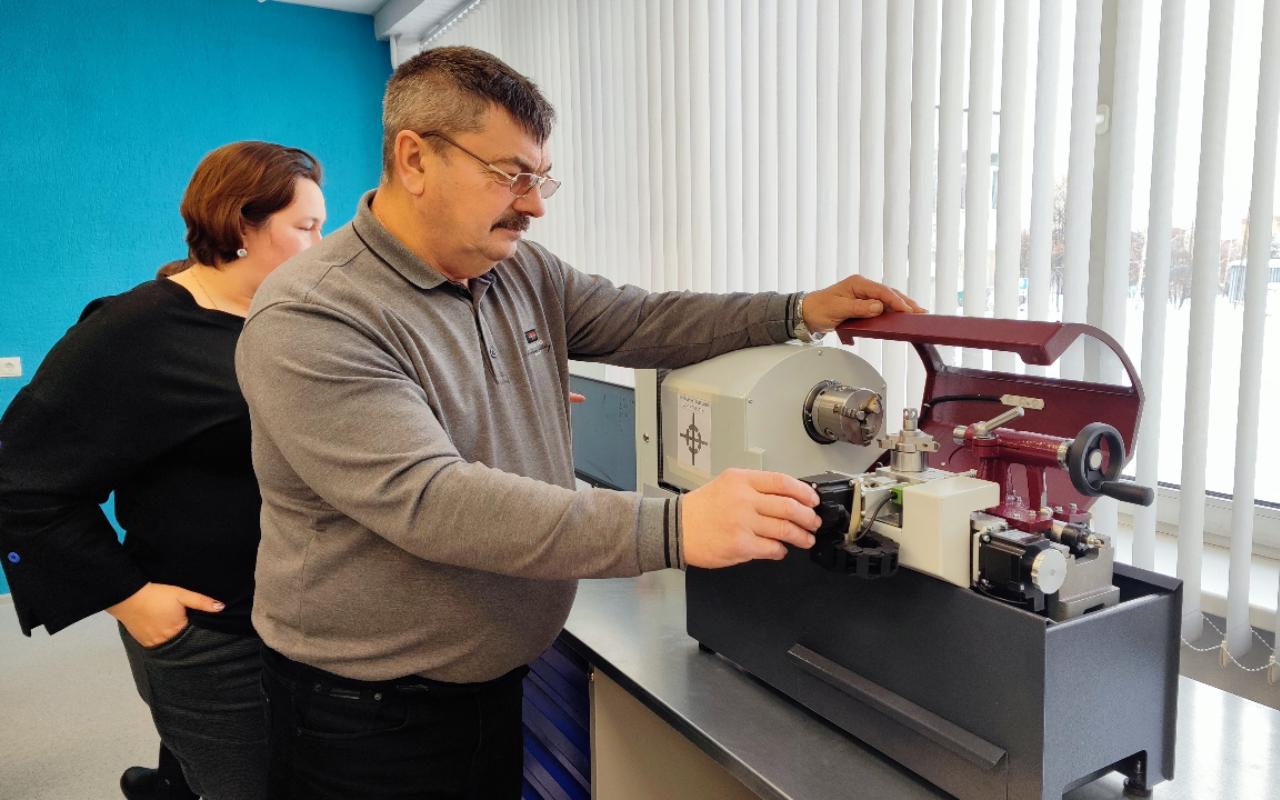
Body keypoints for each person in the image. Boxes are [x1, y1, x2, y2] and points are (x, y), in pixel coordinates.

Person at [235, 46, 924, 800]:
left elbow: (646, 318)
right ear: (413, 158)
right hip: (364, 712)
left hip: (490, 679)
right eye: (511, 175)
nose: (534, 204)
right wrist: (673, 527)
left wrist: (797, 312)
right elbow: (430, 500)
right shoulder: (314, 313)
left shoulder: (516, 270)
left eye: (540, 178)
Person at [0, 141, 326, 800]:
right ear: (241, 226)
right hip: (211, 635)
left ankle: (168, 782)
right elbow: (19, 478)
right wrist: (129, 598)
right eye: (306, 228)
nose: (323, 246)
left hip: (298, 620)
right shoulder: (135, 332)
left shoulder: (287, 317)